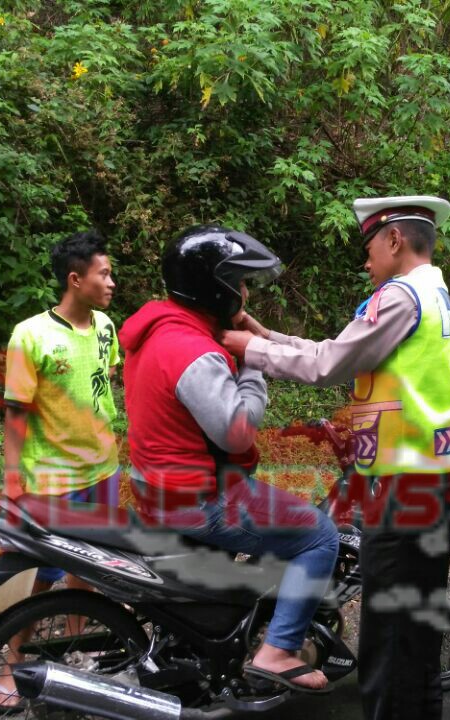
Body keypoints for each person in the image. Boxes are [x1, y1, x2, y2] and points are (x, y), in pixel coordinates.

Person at [221, 196, 450, 720]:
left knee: (389, 640)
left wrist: (248, 349)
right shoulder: (434, 292)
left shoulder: (398, 295)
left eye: (370, 247)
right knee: (415, 638)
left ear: (395, 241)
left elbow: (329, 363)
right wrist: (269, 337)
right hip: (430, 481)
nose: (366, 261)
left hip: (404, 487)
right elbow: (344, 351)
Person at [119, 225, 341, 693]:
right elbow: (238, 431)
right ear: (212, 286)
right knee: (319, 534)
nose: (243, 292)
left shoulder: (163, 326)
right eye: (238, 283)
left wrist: (249, 342)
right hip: (199, 497)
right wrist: (255, 362)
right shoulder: (193, 351)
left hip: (160, 484)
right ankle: (278, 651)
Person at [0, 229, 121, 705]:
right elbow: (16, 413)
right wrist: (13, 481)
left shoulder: (107, 328)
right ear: (76, 279)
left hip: (103, 471)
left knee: (88, 567)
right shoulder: (30, 336)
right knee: (40, 574)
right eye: (103, 274)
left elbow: (103, 387)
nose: (111, 282)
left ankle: (77, 650)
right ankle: (13, 664)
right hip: (51, 478)